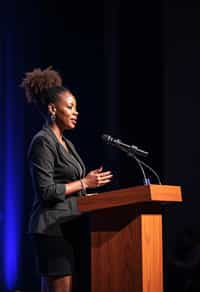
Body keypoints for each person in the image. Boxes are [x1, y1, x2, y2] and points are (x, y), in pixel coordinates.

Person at [21, 67, 113, 292]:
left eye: (76, 108)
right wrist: (84, 183)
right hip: (51, 227)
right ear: (53, 109)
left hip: (69, 226)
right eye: (70, 107)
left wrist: (91, 191)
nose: (76, 112)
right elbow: (46, 191)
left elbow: (71, 187)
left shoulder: (66, 143)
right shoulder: (43, 141)